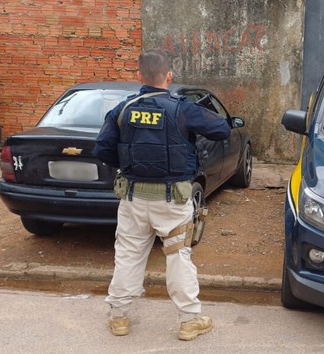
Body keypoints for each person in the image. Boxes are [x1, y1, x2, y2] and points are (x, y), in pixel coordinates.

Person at [94, 49, 231, 340]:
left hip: (133, 199)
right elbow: (222, 129)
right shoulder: (183, 108)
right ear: (169, 76)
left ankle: (119, 317)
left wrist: (132, 163)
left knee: (128, 257)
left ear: (139, 75)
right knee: (178, 256)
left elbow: (103, 149)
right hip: (173, 201)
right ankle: (189, 320)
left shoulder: (122, 109)